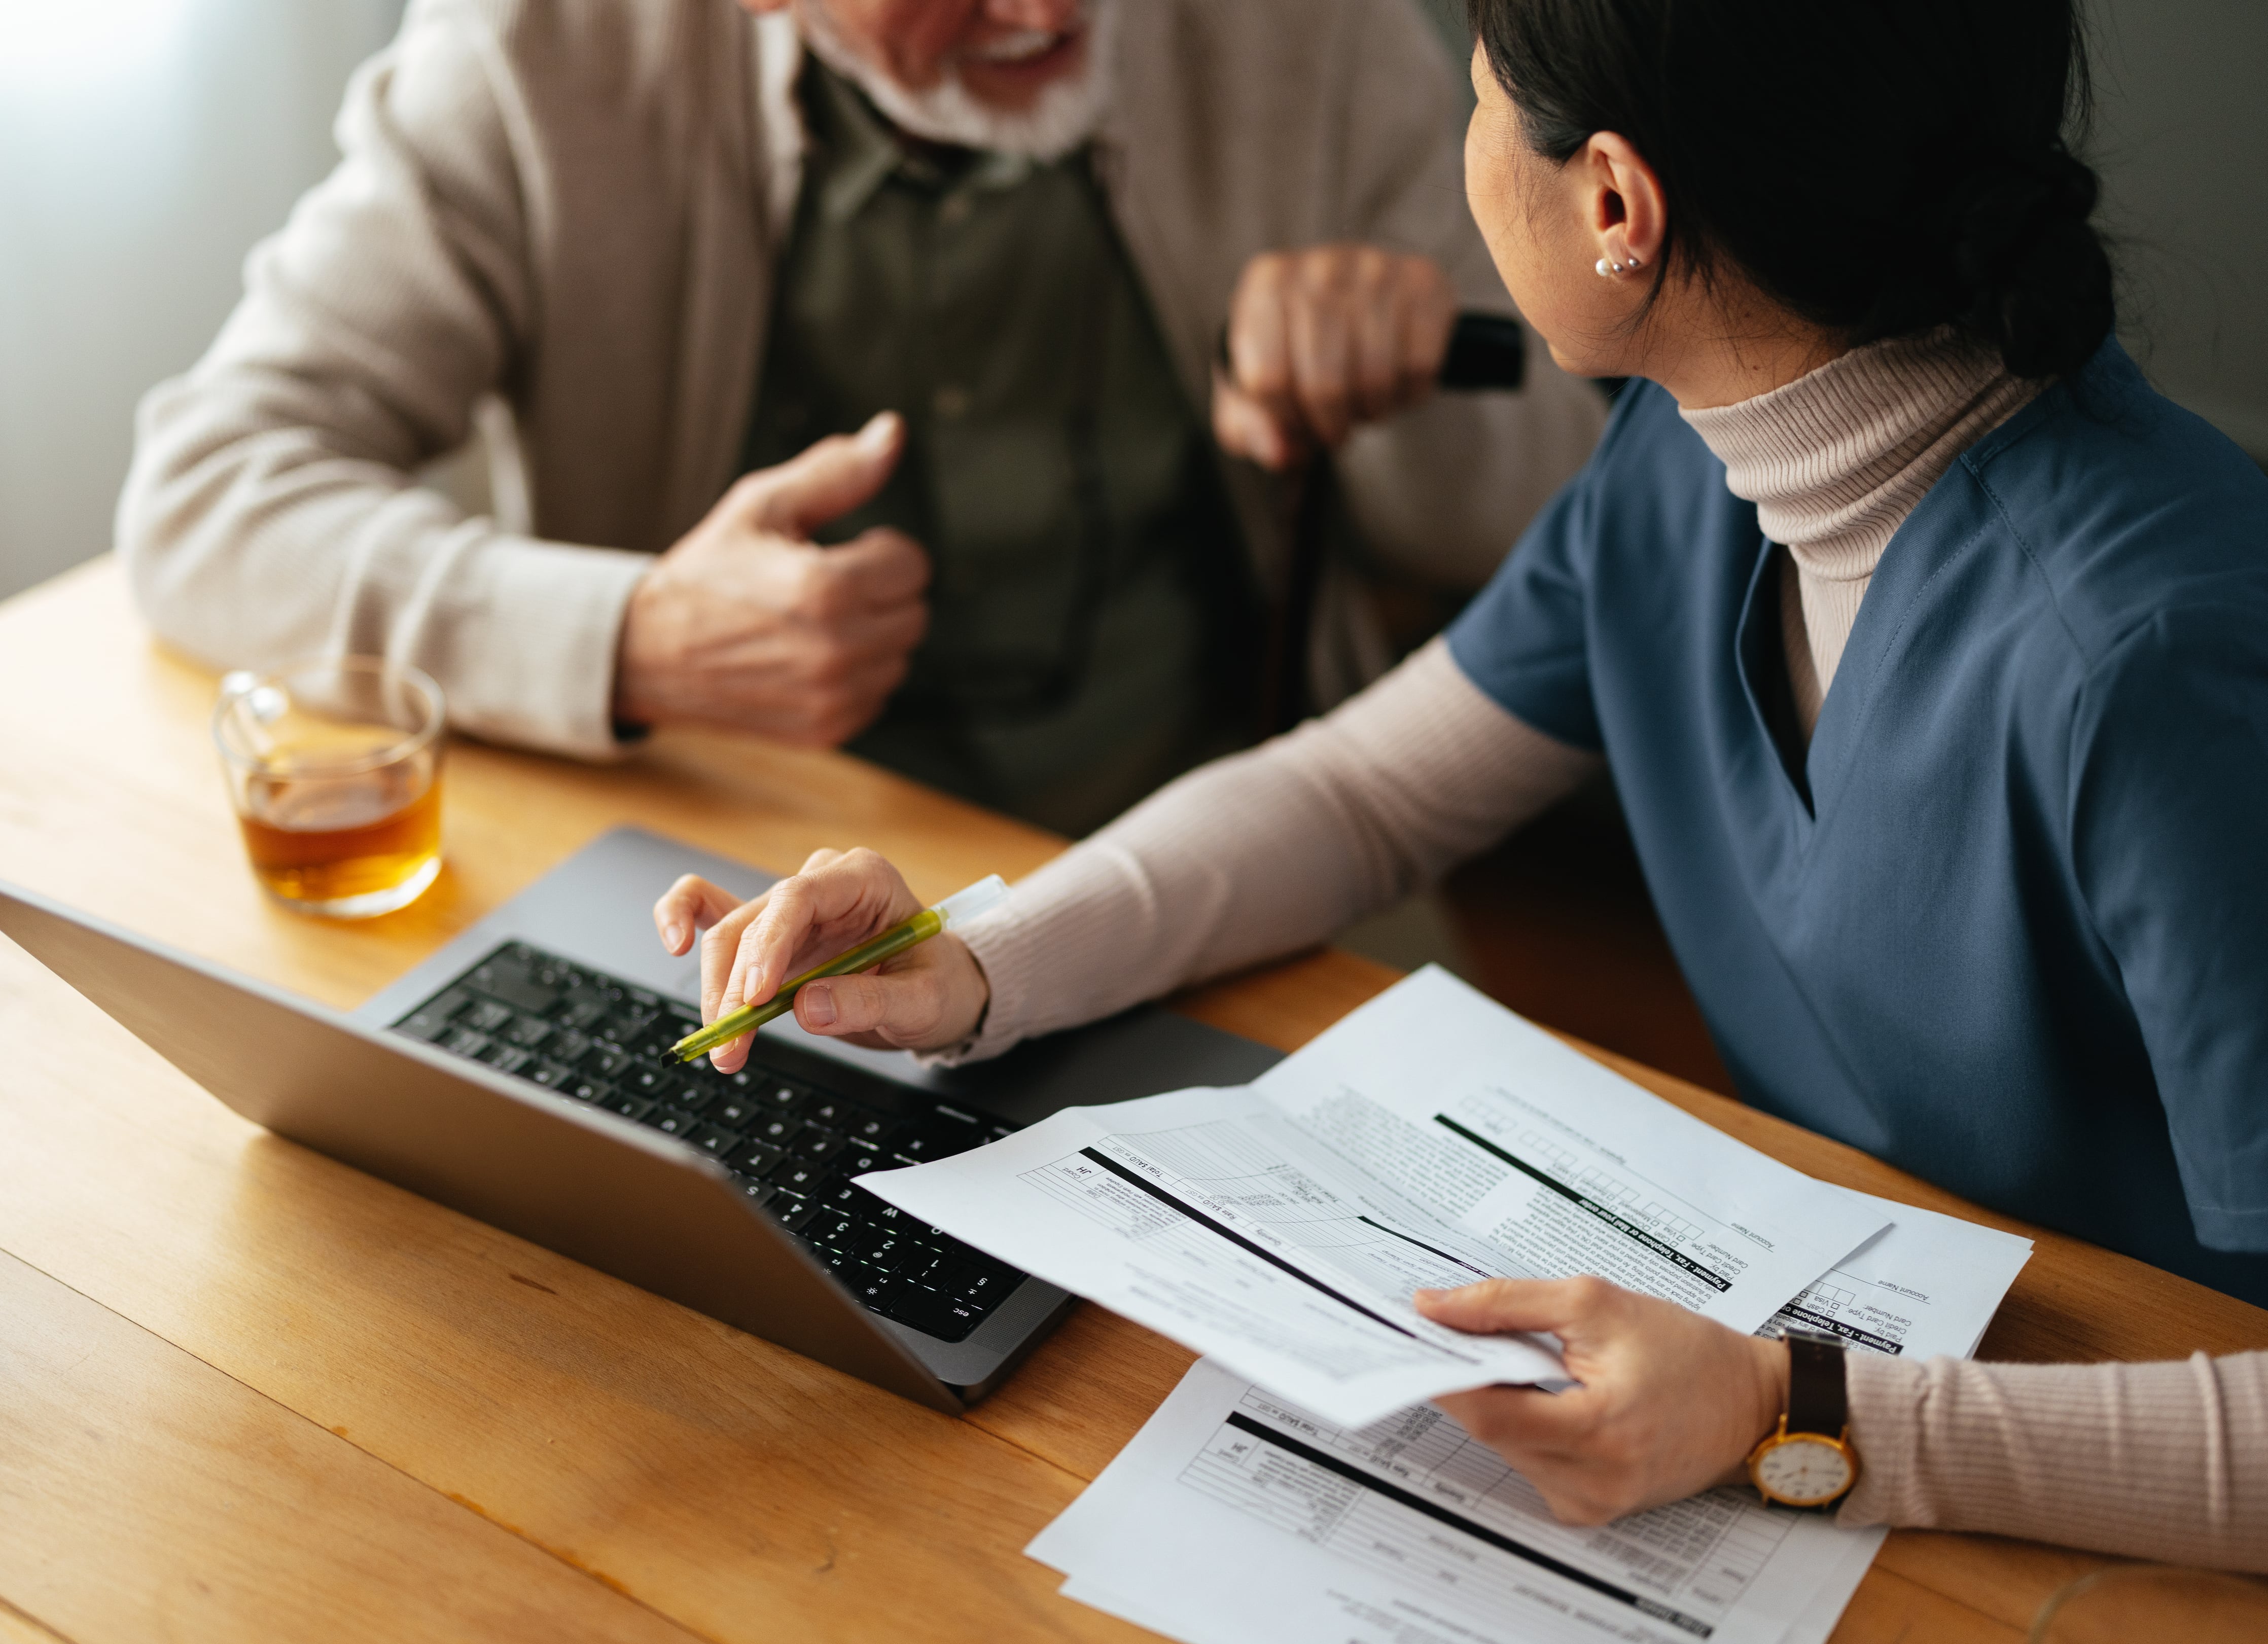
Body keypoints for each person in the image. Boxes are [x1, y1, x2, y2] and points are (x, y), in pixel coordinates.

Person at [656, 0, 2268, 1556]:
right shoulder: (1690, 456)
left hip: (2093, 1498)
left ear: (1617, 203)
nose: (1465, 136)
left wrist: (1803, 1416)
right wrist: (978, 959)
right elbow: (1365, 793)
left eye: (1483, 98)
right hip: (1825, 1393)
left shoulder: (2160, 663)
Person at [118, 0, 1606, 836]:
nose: (1043, 10)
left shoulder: (1309, 37)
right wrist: (635, 634)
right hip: (720, 900)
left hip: (1240, 875)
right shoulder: (536, 59)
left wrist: (1405, 378)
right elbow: (207, 493)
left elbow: (1586, 506)